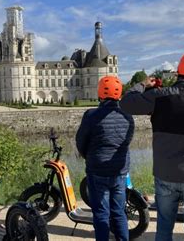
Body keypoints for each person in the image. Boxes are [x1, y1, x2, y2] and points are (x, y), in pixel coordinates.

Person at [120, 52, 184, 241]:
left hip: (165, 173)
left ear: (179, 71)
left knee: (164, 226)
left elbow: (126, 103)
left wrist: (144, 85)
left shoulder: (159, 96)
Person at [76, 75, 134, 241]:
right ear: (119, 94)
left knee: (101, 213)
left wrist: (89, 156)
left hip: (97, 170)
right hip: (119, 171)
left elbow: (81, 141)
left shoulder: (91, 115)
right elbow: (127, 142)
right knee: (119, 212)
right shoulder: (127, 116)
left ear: (100, 94)